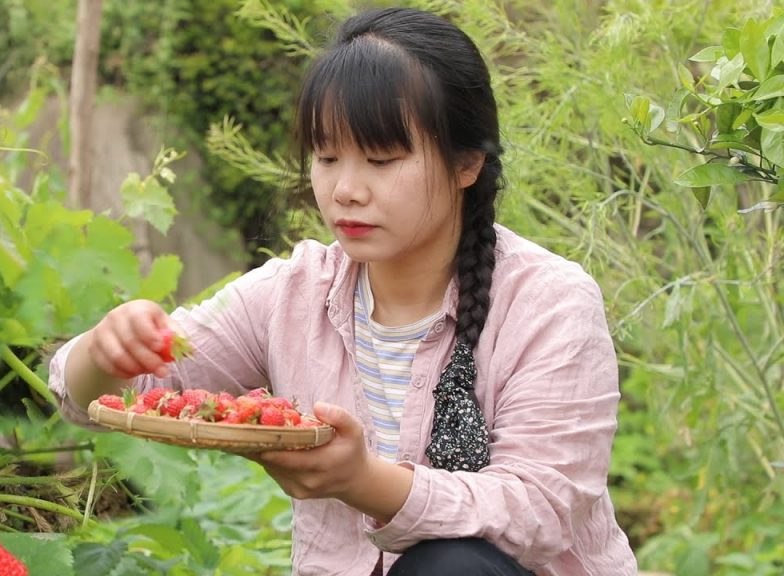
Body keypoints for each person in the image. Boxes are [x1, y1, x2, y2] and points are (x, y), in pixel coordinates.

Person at [48, 6, 637, 576]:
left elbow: (540, 510)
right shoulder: (294, 293)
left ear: (466, 164)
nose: (345, 189)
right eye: (327, 157)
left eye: (381, 159)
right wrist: (106, 352)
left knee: (450, 564)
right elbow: (104, 397)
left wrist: (364, 482)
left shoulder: (549, 302)